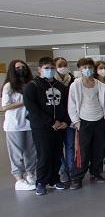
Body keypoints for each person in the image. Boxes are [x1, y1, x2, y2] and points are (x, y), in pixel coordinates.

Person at [23, 57, 70, 195]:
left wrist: (64, 122)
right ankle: (41, 182)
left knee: (57, 153)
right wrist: (51, 122)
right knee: (44, 154)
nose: (50, 71)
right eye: (46, 68)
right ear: (40, 70)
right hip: (42, 127)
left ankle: (55, 179)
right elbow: (32, 108)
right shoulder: (32, 86)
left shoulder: (60, 86)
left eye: (52, 68)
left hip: (59, 127)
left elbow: (66, 106)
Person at [67, 58, 105, 189]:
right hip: (84, 122)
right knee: (83, 151)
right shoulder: (75, 85)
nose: (87, 69)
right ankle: (77, 177)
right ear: (80, 69)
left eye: (90, 67)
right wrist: (76, 122)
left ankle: (96, 172)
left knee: (98, 149)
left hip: (99, 120)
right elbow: (72, 105)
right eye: (84, 67)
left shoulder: (100, 85)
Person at [1, 60, 36, 191]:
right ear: (12, 70)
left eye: (23, 67)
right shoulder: (9, 86)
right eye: (18, 67)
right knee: (17, 153)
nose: (21, 69)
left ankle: (31, 174)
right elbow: (5, 106)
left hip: (30, 124)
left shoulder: (30, 84)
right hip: (14, 125)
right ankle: (19, 179)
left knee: (31, 152)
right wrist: (24, 102)